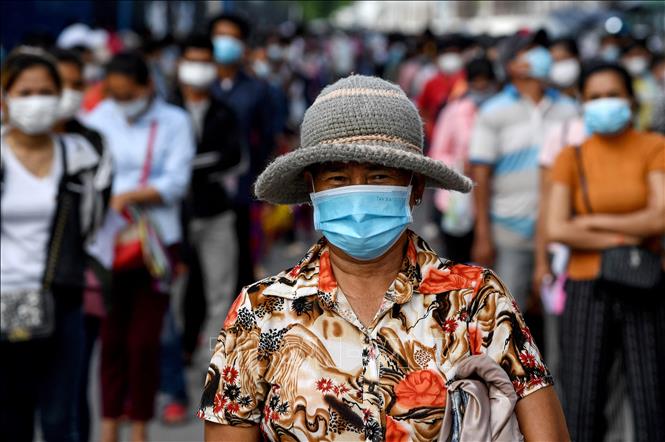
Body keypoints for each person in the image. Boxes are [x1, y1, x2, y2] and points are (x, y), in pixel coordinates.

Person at [198, 74, 569, 441]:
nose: (358, 194)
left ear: (415, 188)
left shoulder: (476, 300)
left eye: (378, 175)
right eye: (338, 178)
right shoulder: (261, 311)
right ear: (312, 187)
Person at [547, 61, 665, 441]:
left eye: (612, 94)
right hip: (585, 285)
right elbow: (557, 228)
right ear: (581, 102)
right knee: (582, 400)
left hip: (642, 282)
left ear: (630, 98)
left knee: (652, 398)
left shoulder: (654, 147)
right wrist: (627, 234)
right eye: (594, 97)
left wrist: (592, 225)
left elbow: (661, 217)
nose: (604, 103)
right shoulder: (571, 156)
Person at [83, 51, 195, 442]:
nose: (121, 100)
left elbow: (176, 183)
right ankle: (110, 424)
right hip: (106, 244)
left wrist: (128, 196)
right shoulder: (96, 120)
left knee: (145, 342)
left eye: (127, 93)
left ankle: (140, 427)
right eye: (113, 93)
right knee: (111, 339)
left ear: (147, 87)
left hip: (156, 244)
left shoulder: (174, 122)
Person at [1, 48, 111, 442]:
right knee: (9, 418)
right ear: (5, 98)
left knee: (59, 419)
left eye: (46, 91)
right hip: (2, 302)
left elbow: (91, 223)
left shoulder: (80, 156)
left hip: (61, 300)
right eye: (25, 92)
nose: (37, 102)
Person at [469, 30, 578, 311]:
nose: (538, 56)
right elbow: (480, 174)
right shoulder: (493, 111)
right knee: (508, 312)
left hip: (560, 230)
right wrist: (483, 234)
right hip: (509, 228)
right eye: (527, 51)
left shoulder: (569, 110)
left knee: (558, 312)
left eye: (539, 49)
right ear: (511, 65)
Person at [51, 47, 113, 442]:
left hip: (73, 284)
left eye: (77, 85)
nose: (67, 94)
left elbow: (94, 217)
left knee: (68, 398)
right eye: (59, 84)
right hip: (12, 289)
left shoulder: (91, 145)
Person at [172, 34, 243, 364]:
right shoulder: (166, 109)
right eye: (192, 61)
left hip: (215, 211)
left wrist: (188, 167)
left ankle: (211, 357)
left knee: (220, 287)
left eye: (204, 62)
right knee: (175, 290)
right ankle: (174, 354)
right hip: (173, 216)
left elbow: (232, 158)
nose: (197, 69)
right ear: (179, 65)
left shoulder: (224, 112)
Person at [208, 12, 277, 294]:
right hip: (201, 191)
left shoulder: (258, 90)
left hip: (241, 190)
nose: (225, 43)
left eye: (232, 38)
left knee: (241, 260)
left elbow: (267, 137)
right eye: (219, 36)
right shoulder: (199, 86)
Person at [428, 57, 497, 263]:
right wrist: (459, 165)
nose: (481, 86)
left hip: (493, 200)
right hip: (458, 201)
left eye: (485, 81)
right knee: (457, 265)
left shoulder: (498, 111)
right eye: (476, 81)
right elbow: (437, 154)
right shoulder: (454, 112)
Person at [417, 35, 467, 146]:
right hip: (436, 137)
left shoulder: (466, 81)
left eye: (454, 52)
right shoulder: (431, 82)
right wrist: (432, 131)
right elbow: (423, 110)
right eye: (447, 52)